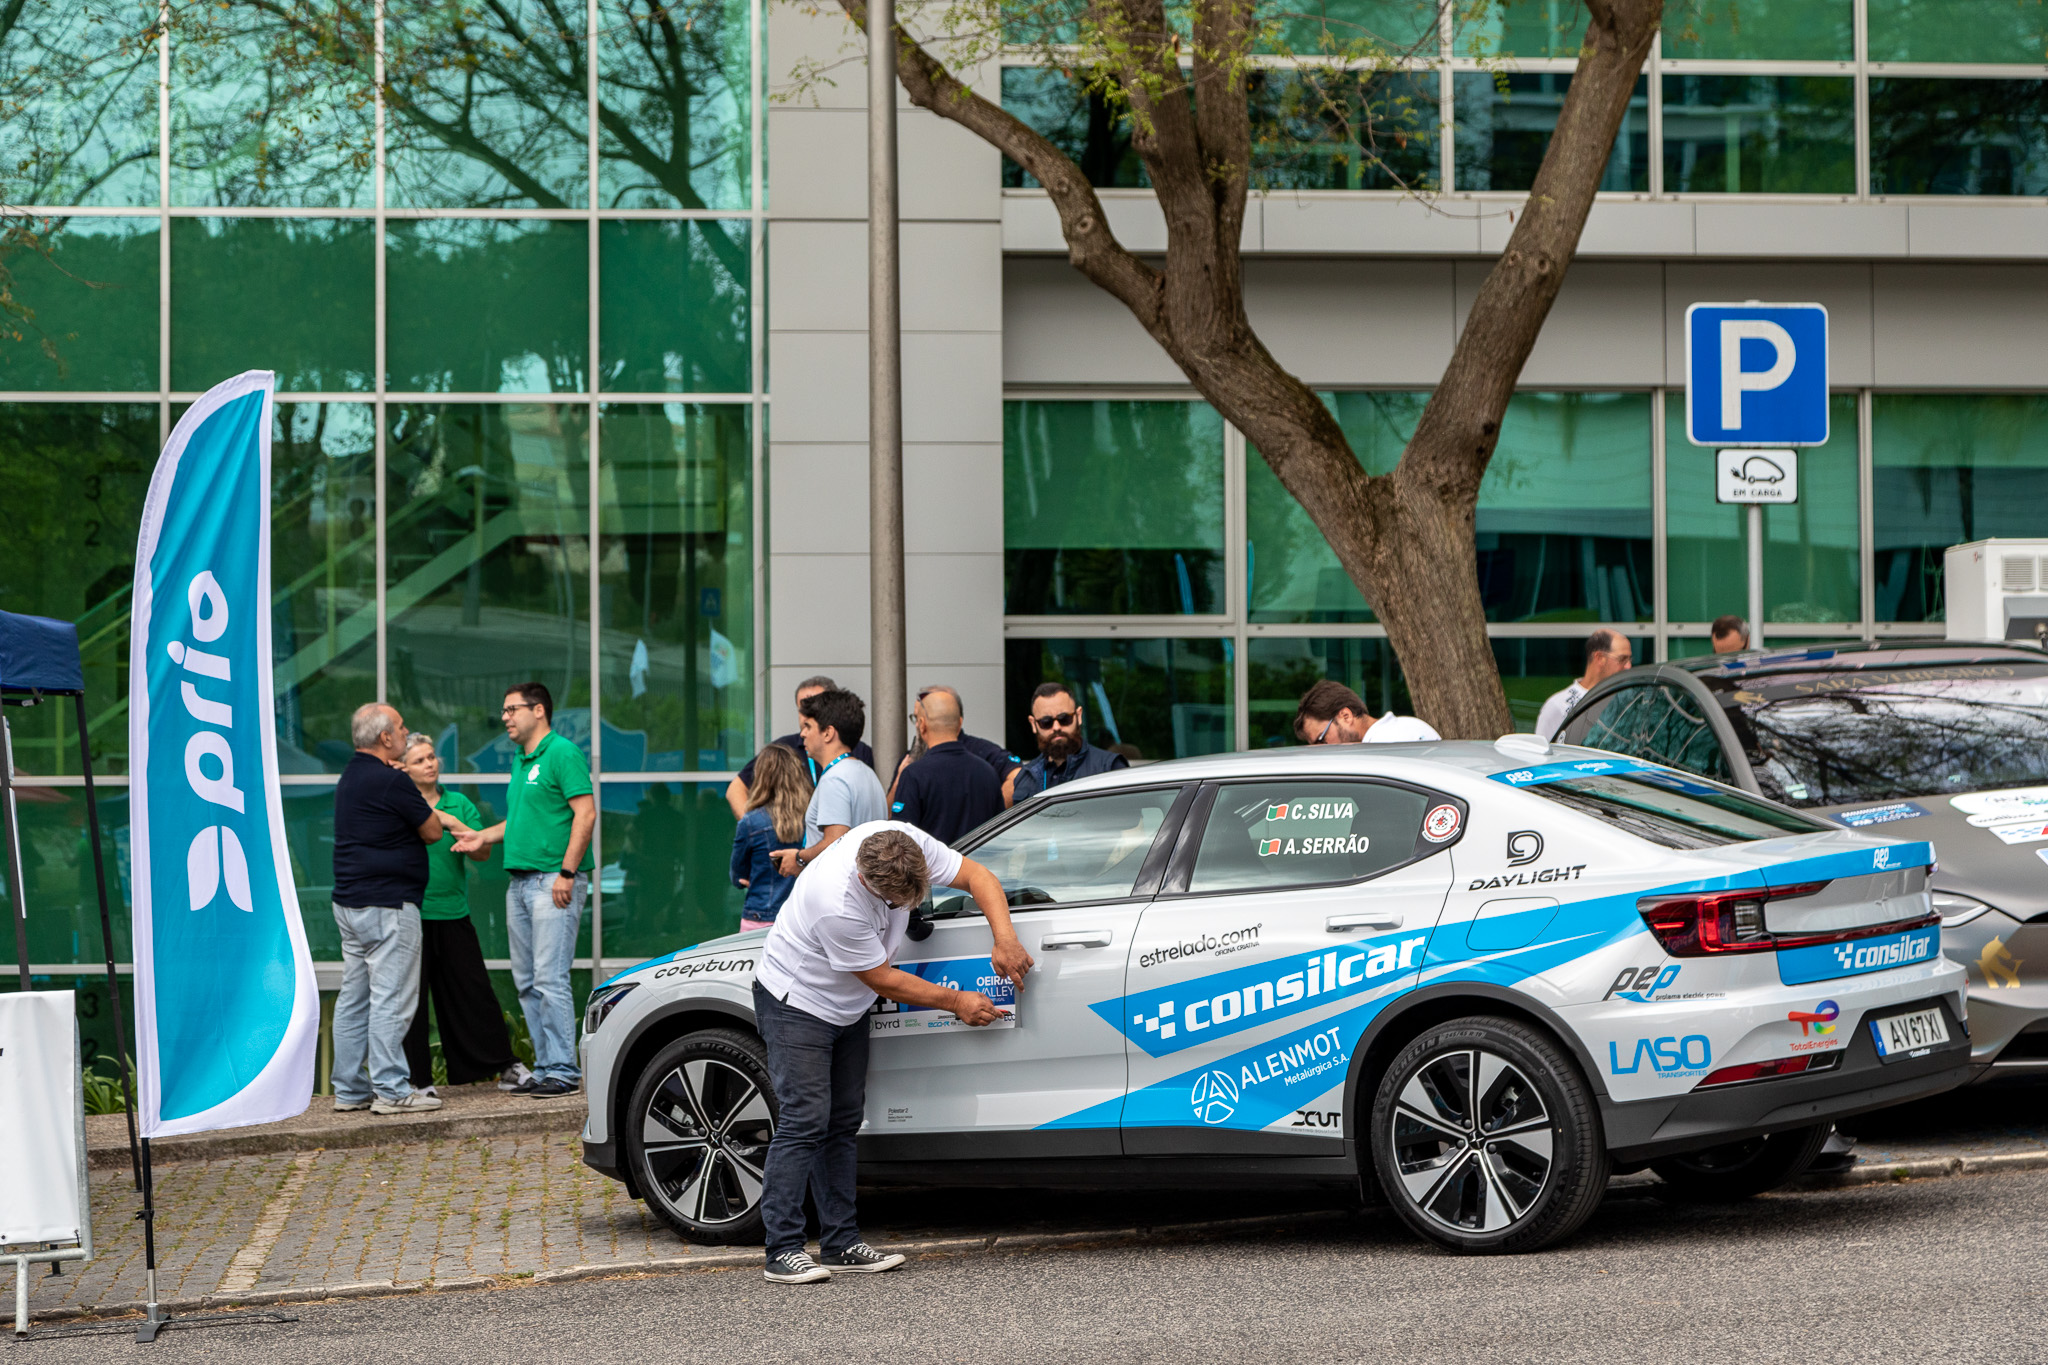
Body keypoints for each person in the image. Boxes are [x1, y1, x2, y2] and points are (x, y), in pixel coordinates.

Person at [752, 824, 1033, 1283]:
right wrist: (958, 1000)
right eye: (897, 903)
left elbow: (979, 876)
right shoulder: (835, 903)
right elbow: (882, 978)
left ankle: (840, 1243)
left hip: (848, 1007)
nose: (906, 910)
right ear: (867, 882)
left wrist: (1004, 939)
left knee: (842, 1120)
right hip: (797, 1002)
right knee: (805, 1119)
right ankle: (781, 1249)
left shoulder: (902, 840)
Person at [450, 682, 594, 1098]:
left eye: (512, 709)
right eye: (504, 710)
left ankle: (565, 1071)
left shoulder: (562, 753)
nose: (505, 717)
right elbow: (523, 821)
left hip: (553, 881)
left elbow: (585, 814)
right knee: (528, 981)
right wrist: (483, 838)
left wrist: (567, 872)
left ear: (539, 711)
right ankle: (547, 1066)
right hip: (520, 883)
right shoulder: (521, 759)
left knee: (551, 978)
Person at [330, 703, 448, 1115]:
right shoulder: (392, 782)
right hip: (388, 904)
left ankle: (349, 1090)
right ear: (385, 738)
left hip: (349, 902)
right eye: (401, 727)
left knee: (354, 997)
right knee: (390, 998)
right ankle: (392, 1090)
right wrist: (408, 790)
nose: (405, 731)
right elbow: (432, 831)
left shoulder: (350, 775)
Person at [396, 733, 523, 1095]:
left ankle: (504, 1067)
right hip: (411, 915)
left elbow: (481, 854)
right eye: (420, 760)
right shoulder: (400, 803)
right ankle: (415, 1081)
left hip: (453, 913)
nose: (430, 764)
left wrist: (453, 821)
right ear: (405, 769)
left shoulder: (460, 803)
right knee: (411, 1002)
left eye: (432, 757)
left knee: (473, 994)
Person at [770, 688, 888, 878]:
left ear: (828, 733)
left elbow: (835, 841)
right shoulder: (867, 773)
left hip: (838, 894)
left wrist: (799, 858)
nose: (802, 734)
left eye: (808, 726)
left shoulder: (835, 779)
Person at [726, 676, 876, 819]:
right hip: (795, 842)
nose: (806, 715)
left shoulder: (858, 753)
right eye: (802, 709)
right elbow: (736, 789)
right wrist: (755, 830)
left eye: (815, 708)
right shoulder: (782, 749)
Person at [889, 687, 1005, 843]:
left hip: (932, 867)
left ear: (922, 725)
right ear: (959, 724)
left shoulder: (914, 774)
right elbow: (1000, 835)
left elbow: (900, 841)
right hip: (979, 866)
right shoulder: (988, 772)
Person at [888, 684, 1020, 804]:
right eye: (915, 717)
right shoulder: (911, 760)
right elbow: (891, 818)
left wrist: (991, 819)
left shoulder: (982, 753)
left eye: (923, 717)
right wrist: (900, 780)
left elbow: (1017, 776)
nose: (917, 724)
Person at [731, 743, 811, 931]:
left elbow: (737, 875)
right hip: (801, 917)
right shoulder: (812, 817)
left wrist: (747, 879)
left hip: (760, 916)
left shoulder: (751, 822)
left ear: (761, 778)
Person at [1008, 683, 1129, 805]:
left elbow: (1129, 820)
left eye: (1064, 719)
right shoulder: (1026, 776)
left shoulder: (1109, 767)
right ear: (1033, 724)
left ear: (1079, 716)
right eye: (1046, 722)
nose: (1056, 727)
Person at [1535, 630, 1635, 742]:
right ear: (1599, 657)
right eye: (1622, 659)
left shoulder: (1631, 700)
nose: (1628, 666)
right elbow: (1542, 754)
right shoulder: (1558, 705)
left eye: (1630, 659)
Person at [1293, 679, 1442, 745]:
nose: (1322, 750)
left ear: (1346, 716)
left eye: (1322, 739)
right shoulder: (1410, 725)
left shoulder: (1382, 746)